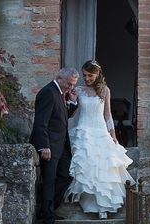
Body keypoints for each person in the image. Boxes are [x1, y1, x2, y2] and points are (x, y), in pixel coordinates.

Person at [65, 60, 134, 219]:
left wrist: (113, 134)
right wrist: (72, 100)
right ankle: (88, 204)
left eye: (90, 75)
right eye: (85, 75)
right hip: (84, 132)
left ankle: (103, 208)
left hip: (100, 131)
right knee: (87, 168)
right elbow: (72, 114)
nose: (87, 78)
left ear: (98, 74)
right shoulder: (79, 90)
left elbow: (108, 115)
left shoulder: (105, 90)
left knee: (103, 170)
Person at [30, 67, 79, 224]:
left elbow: (64, 117)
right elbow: (41, 122)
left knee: (67, 175)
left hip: (61, 146)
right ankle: (47, 216)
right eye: (69, 84)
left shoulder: (61, 94)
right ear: (60, 77)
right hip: (49, 146)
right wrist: (44, 146)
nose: (70, 87)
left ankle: (47, 209)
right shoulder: (49, 92)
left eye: (73, 85)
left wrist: (72, 101)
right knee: (49, 180)